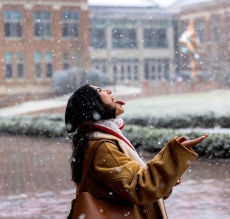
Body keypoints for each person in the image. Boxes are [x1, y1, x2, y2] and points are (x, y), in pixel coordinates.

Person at [65, 84, 208, 219]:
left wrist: (165, 177)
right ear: (90, 104)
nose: (108, 91)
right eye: (99, 90)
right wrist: (174, 155)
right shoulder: (104, 146)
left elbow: (137, 188)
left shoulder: (102, 140)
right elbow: (140, 188)